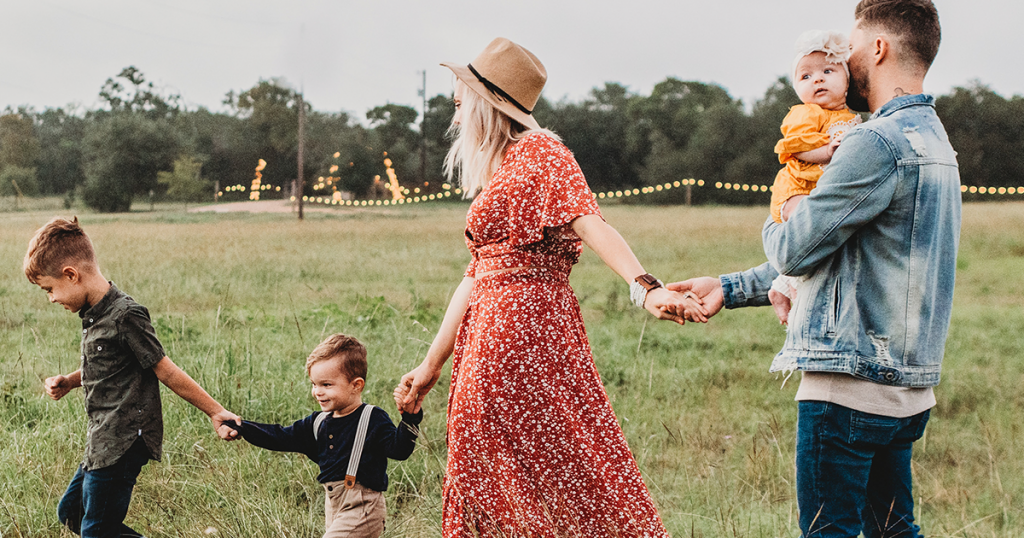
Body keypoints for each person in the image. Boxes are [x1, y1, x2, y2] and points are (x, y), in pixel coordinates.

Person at [670, 2, 960, 537]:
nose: (843, 60)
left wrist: (782, 201)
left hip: (849, 386)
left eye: (850, 48)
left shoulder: (874, 142)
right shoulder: (934, 139)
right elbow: (843, 251)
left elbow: (795, 252)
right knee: (895, 532)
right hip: (907, 388)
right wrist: (731, 288)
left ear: (878, 48)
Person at [393, 37, 702, 537]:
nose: (455, 117)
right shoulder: (505, 166)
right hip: (489, 338)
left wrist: (646, 287)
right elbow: (476, 274)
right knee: (511, 471)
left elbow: (590, 222)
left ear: (488, 105)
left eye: (459, 104)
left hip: (525, 338)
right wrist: (431, 367)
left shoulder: (541, 152)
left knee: (566, 468)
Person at [26, 216, 242, 538]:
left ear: (71, 275)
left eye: (50, 289)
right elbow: (110, 366)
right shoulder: (95, 315)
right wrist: (70, 381)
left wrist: (215, 411)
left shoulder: (126, 315)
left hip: (124, 439)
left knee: (97, 530)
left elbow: (164, 369)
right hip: (102, 438)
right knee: (72, 512)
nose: (51, 298)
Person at [229, 334, 421, 538]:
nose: (317, 392)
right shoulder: (317, 422)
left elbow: (399, 450)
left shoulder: (372, 418)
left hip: (364, 507)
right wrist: (241, 427)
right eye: (314, 384)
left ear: (356, 385)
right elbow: (279, 436)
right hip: (333, 506)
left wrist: (410, 418)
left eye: (326, 385)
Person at [768, 30, 862, 323]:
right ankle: (793, 291)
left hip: (819, 190)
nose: (817, 80)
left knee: (824, 238)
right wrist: (826, 151)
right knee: (808, 230)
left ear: (847, 80)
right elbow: (797, 146)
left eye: (827, 71)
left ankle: (782, 286)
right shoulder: (806, 113)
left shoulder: (851, 117)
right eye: (805, 76)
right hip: (797, 189)